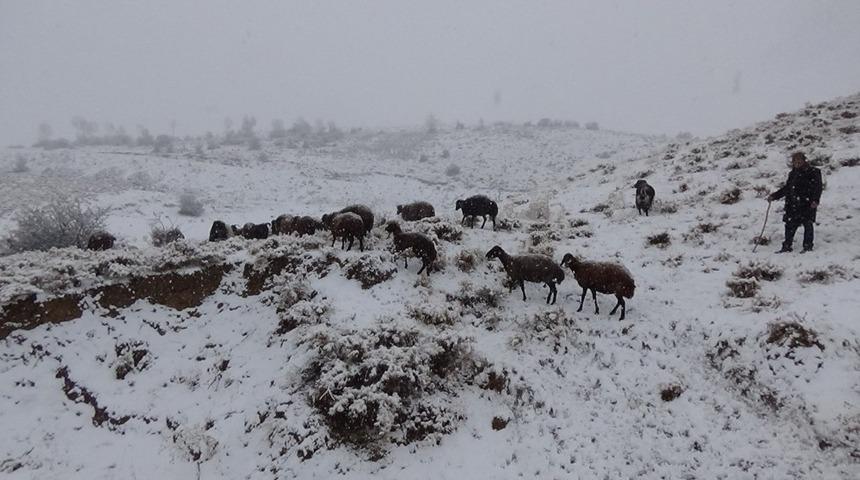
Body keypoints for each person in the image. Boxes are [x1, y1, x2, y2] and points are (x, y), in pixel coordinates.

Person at [768, 152, 822, 253]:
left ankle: (807, 246)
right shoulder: (792, 173)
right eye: (795, 161)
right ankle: (787, 246)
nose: (797, 162)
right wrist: (774, 196)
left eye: (799, 160)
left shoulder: (813, 172)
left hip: (807, 203)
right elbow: (787, 188)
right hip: (792, 204)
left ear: (804, 160)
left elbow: (818, 187)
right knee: (789, 225)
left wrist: (815, 200)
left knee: (807, 224)